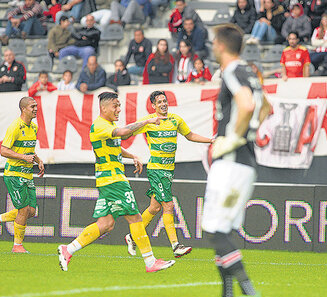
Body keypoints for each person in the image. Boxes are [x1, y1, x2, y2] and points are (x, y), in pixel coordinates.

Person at [195, 23, 270, 297]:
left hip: (232, 164)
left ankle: (251, 296)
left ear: (222, 46)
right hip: (243, 163)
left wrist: (233, 139)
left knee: (214, 229)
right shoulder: (250, 72)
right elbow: (266, 108)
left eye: (214, 43)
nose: (212, 47)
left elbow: (249, 105)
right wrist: (248, 134)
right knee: (220, 228)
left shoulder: (232, 70)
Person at [58, 92, 175, 273]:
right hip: (113, 180)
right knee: (135, 218)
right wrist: (147, 121)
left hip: (108, 180)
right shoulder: (99, 125)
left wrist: (131, 156)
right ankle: (150, 262)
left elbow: (115, 145)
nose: (119, 109)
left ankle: (68, 249)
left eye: (119, 105)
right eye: (115, 106)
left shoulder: (107, 125)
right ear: (104, 108)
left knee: (106, 224)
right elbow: (124, 133)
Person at [124, 90, 213, 258]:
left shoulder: (175, 120)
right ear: (153, 106)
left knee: (154, 207)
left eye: (164, 101)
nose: (163, 104)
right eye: (159, 102)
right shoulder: (148, 121)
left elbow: (190, 135)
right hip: (156, 170)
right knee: (168, 206)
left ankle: (133, 236)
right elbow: (127, 131)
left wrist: (211, 140)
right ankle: (175, 246)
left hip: (169, 170)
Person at [0, 97, 44, 253]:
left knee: (31, 211)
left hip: (27, 174)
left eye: (36, 106)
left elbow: (28, 150)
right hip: (14, 174)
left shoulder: (34, 127)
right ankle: (17, 246)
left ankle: (1, 219)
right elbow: (3, 150)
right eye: (32, 106)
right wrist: (23, 158)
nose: (35, 109)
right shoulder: (15, 127)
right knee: (23, 210)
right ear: (24, 109)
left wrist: (38, 160)